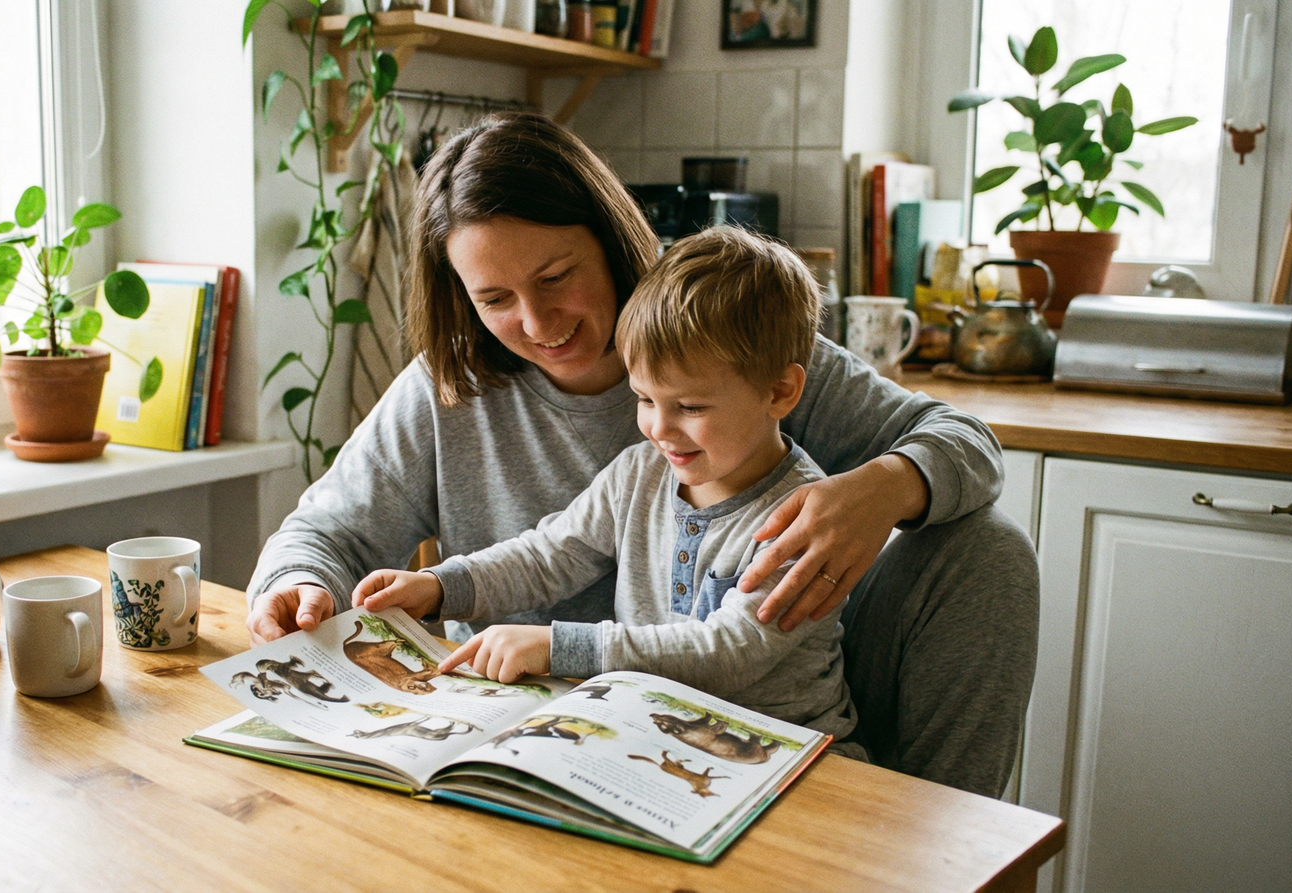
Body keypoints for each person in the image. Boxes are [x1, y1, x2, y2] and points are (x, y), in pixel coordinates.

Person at [245, 112, 1038, 797]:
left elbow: (967, 443)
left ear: (609, 239)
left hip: (735, 713)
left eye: (556, 277)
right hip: (535, 723)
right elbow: (331, 532)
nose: (537, 322)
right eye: (494, 299)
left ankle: (944, 850)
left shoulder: (729, 341)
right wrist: (298, 584)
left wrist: (883, 488)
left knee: (992, 549)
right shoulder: (451, 386)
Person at [349, 227, 856, 748]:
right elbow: (548, 556)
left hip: (792, 751)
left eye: (690, 407)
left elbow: (729, 650)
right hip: (657, 730)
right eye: (644, 399)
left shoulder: (806, 520)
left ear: (780, 391)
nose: (659, 429)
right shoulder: (638, 473)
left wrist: (559, 648)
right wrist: (439, 586)